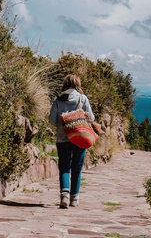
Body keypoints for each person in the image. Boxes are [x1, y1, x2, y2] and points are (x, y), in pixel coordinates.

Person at [49, 74, 95, 208]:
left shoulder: (58, 99)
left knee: (64, 167)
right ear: (77, 84)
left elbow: (53, 120)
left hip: (62, 139)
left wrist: (64, 125)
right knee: (77, 168)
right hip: (80, 138)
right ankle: (74, 198)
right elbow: (91, 118)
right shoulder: (83, 98)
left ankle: (64, 195)